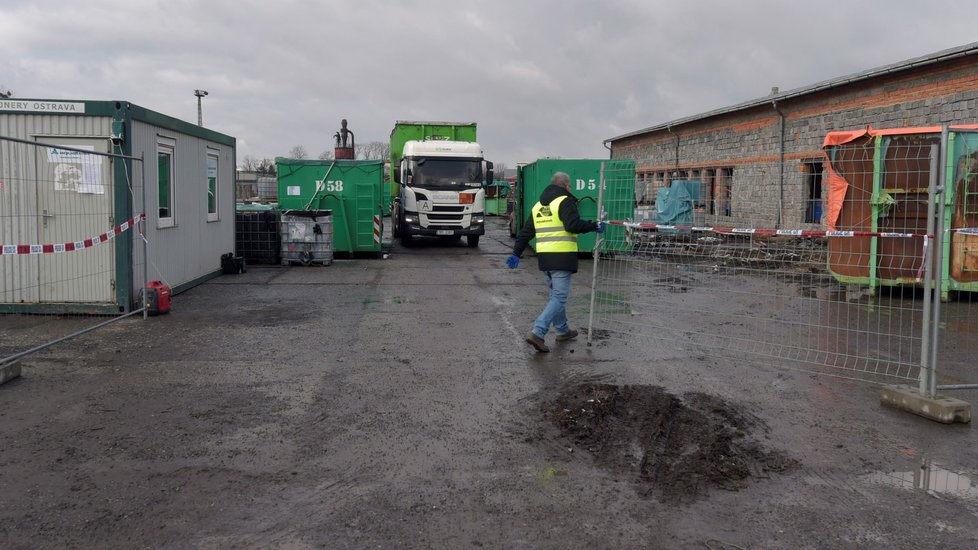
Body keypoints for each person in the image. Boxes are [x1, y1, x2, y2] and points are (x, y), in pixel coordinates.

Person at [506, 171, 604, 352]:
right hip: (562, 257)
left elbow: (526, 232)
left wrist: (516, 253)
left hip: (545, 259)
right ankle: (538, 332)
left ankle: (562, 330)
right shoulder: (565, 201)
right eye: (570, 186)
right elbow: (572, 225)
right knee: (559, 297)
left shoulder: (538, 206)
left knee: (555, 296)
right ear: (566, 186)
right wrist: (593, 225)